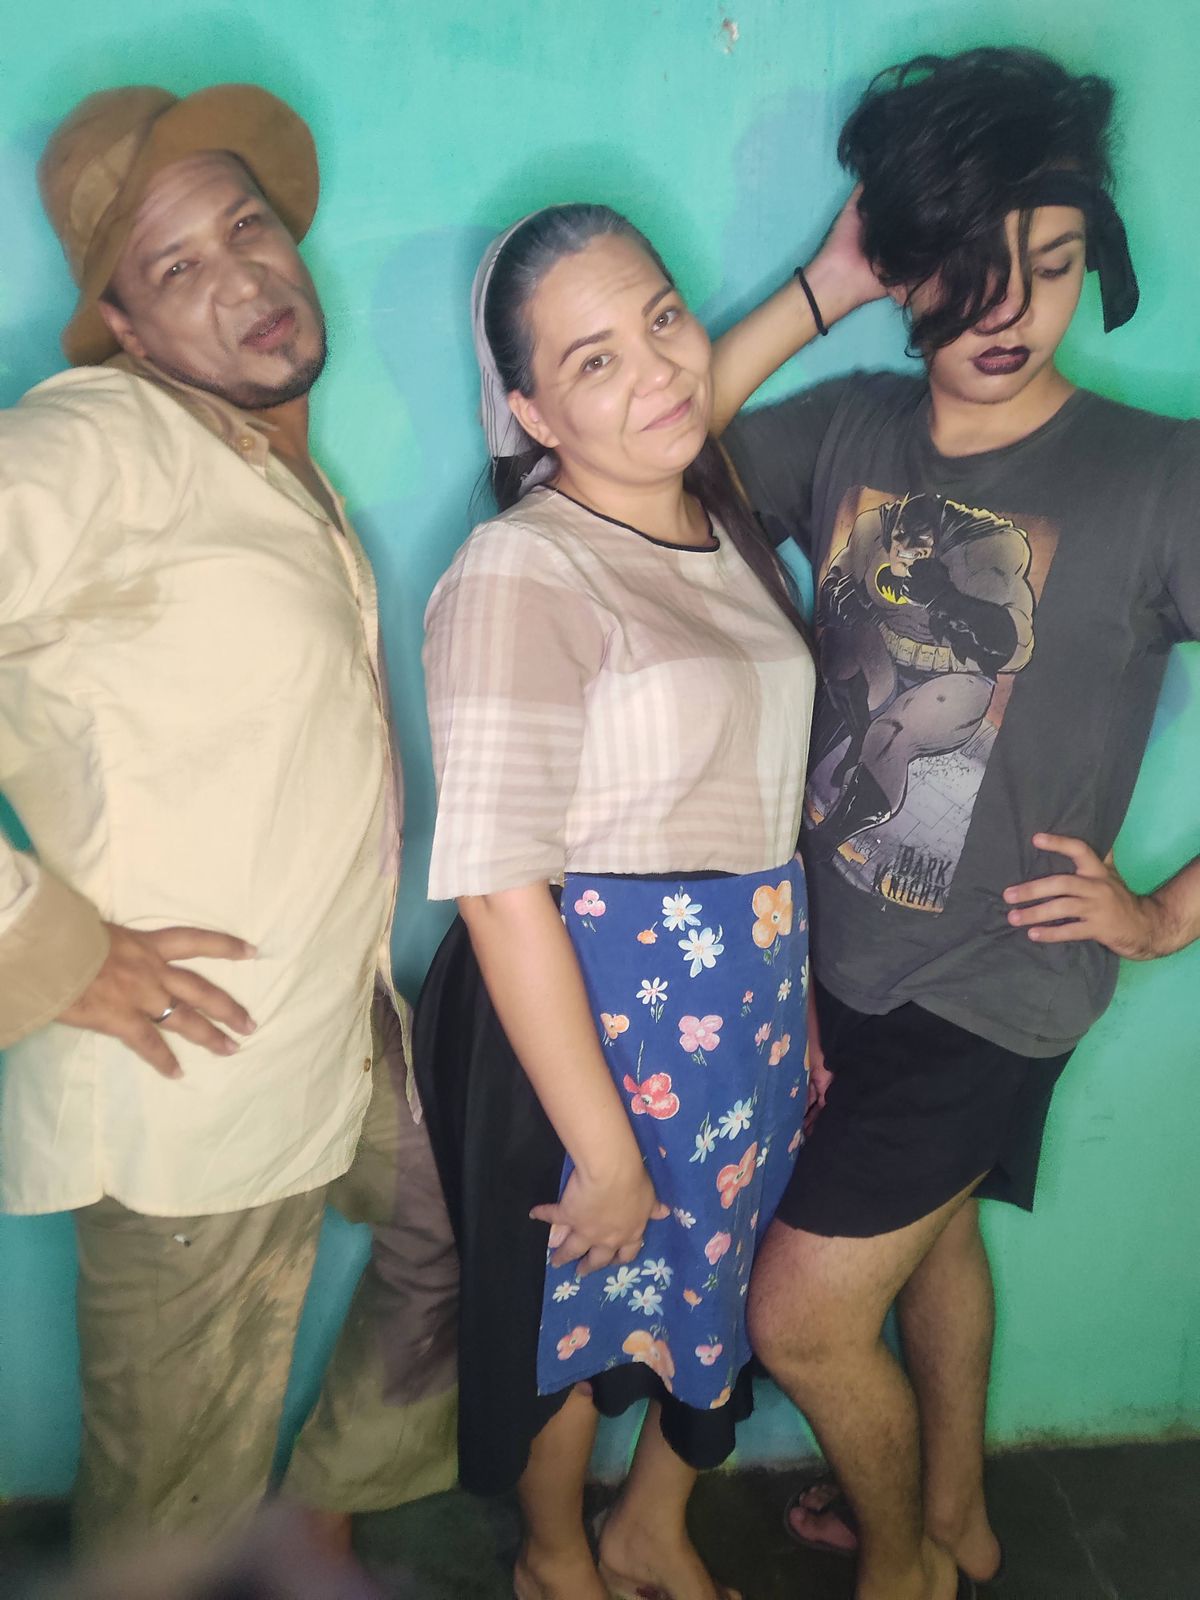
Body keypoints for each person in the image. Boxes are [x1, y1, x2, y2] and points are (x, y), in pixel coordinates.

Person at [711, 46, 1200, 1600]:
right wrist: (829, 284)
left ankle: (909, 1569)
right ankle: (962, 1518)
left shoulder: (1157, 475)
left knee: (800, 1320)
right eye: (969, 267)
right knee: (939, 1243)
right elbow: (637, 458)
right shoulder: (850, 430)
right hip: (836, 957)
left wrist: (1166, 913)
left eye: (1051, 265)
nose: (1011, 310)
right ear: (909, 262)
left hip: (993, 988)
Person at [0, 85, 457, 1551]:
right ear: (124, 327)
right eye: (176, 265)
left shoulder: (253, 461)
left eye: (245, 225)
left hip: (329, 1027)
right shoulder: (101, 440)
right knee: (167, 1529)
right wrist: (40, 945)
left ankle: (321, 1519)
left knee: (496, 1209)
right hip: (184, 1095)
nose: (241, 274)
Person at [413, 204, 815, 1600]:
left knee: (705, 1287)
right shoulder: (524, 568)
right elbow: (495, 886)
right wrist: (601, 1150)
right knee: (583, 1311)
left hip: (741, 1010)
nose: (656, 369)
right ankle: (553, 1556)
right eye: (593, 361)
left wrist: (795, 1013)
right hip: (589, 1021)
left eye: (663, 318)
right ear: (531, 412)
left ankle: (649, 1532)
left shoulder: (716, 518)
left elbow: (758, 809)